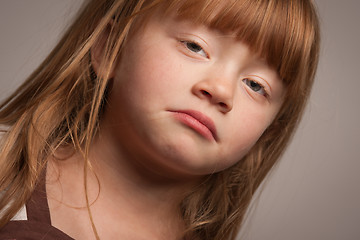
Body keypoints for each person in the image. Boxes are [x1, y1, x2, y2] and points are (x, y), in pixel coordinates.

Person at [0, 0, 320, 239]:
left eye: (255, 85)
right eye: (195, 46)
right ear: (111, 48)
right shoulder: (6, 178)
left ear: (267, 134)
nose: (221, 90)